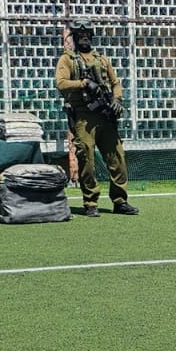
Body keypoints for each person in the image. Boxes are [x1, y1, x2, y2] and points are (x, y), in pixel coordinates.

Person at [56, 21, 137, 217]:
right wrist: (83, 83)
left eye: (87, 34)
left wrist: (117, 99)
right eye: (80, 34)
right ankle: (90, 202)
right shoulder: (67, 60)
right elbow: (61, 83)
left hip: (105, 115)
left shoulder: (101, 58)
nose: (84, 37)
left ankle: (120, 200)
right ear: (74, 37)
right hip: (84, 116)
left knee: (117, 158)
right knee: (87, 159)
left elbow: (116, 83)